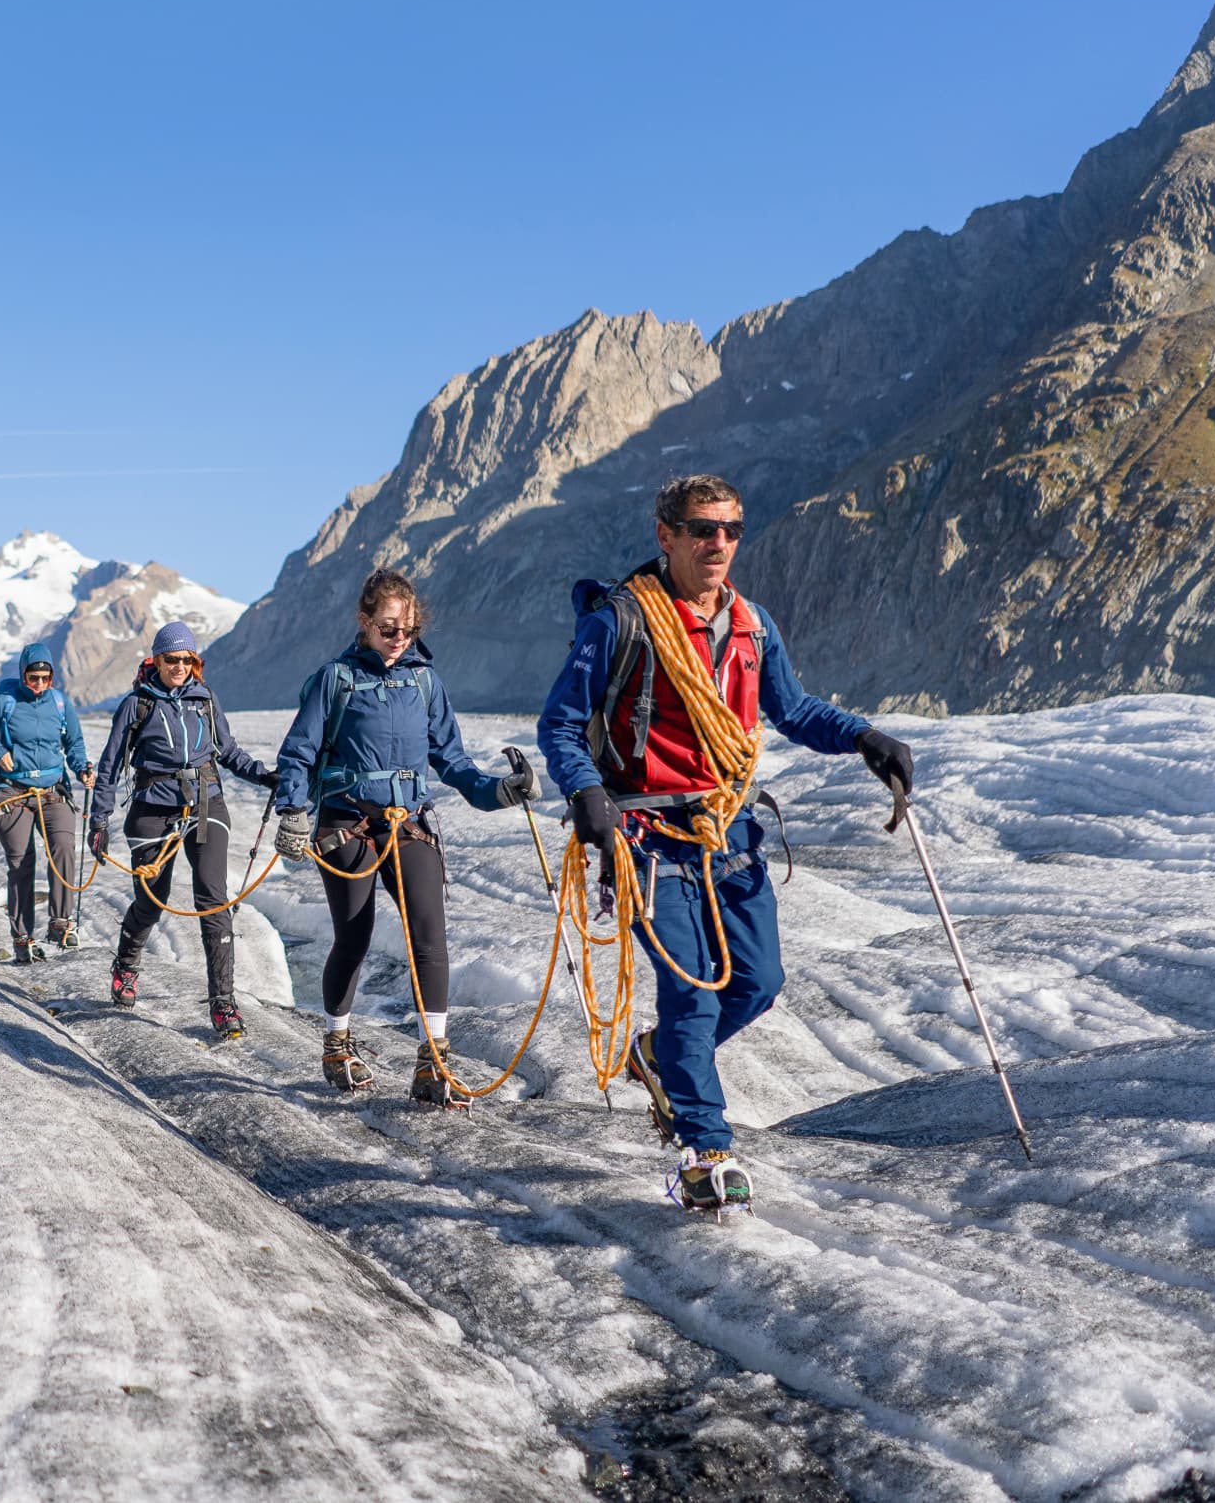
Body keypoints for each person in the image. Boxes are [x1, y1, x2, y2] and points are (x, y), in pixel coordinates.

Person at [536, 474, 913, 1216]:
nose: (719, 542)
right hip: (647, 833)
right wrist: (587, 794)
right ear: (666, 534)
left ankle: (656, 1058)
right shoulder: (622, 620)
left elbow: (793, 708)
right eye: (703, 528)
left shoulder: (751, 623)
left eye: (732, 529)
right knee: (694, 989)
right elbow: (560, 724)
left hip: (730, 829)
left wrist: (864, 738)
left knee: (757, 981)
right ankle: (705, 1150)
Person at [273, 569, 537, 1104]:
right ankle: (337, 1044)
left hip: (410, 823)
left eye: (408, 629)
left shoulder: (424, 682)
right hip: (345, 825)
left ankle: (431, 1062)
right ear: (365, 623)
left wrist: (498, 793)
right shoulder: (336, 679)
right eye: (389, 628)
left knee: (429, 939)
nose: (399, 639)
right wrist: (292, 811)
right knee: (354, 937)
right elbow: (299, 751)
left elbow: (453, 761)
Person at [89, 621, 275, 1043]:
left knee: (213, 902)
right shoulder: (136, 704)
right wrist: (99, 820)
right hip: (153, 809)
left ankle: (223, 1002)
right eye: (171, 659)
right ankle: (127, 964)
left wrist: (265, 776)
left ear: (195, 661)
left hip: (206, 803)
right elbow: (110, 766)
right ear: (156, 659)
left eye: (187, 659)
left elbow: (227, 751)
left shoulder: (204, 698)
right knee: (151, 901)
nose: (179, 666)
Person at [0, 646, 91, 964]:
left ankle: (61, 923)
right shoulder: (3, 701)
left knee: (63, 846)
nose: (39, 684)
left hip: (52, 790)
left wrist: (81, 767)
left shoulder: (60, 703)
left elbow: (73, 742)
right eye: (33, 677)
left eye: (45, 678)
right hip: (12, 792)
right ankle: (23, 936)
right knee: (22, 861)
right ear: (23, 674)